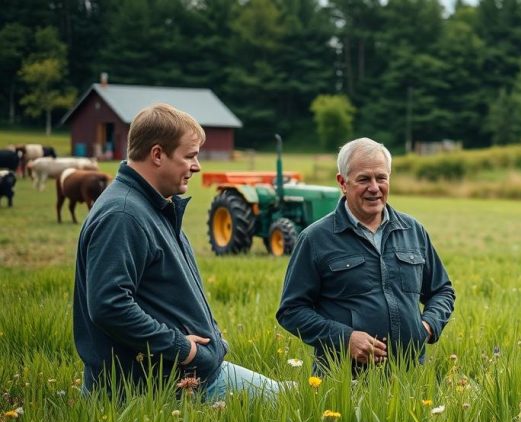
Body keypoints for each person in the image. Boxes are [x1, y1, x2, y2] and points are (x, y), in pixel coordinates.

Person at [73, 103, 280, 400]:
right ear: (157, 154)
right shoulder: (123, 215)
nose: (197, 166)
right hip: (161, 387)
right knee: (294, 403)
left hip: (193, 374)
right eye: (190, 156)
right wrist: (185, 350)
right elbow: (109, 305)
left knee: (294, 395)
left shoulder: (153, 206)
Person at [277, 138, 455, 373]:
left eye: (381, 177)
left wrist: (428, 325)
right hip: (342, 382)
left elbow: (442, 291)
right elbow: (292, 311)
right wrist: (345, 339)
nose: (374, 187)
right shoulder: (315, 239)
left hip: (409, 379)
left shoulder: (413, 231)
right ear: (342, 182)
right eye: (364, 179)